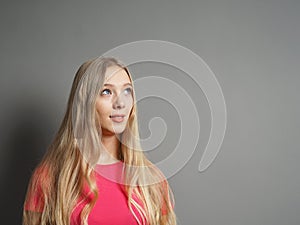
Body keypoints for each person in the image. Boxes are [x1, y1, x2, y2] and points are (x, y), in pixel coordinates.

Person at [23, 57, 177, 225]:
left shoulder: (151, 180)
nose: (120, 103)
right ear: (84, 102)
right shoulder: (49, 178)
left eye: (127, 91)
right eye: (106, 92)